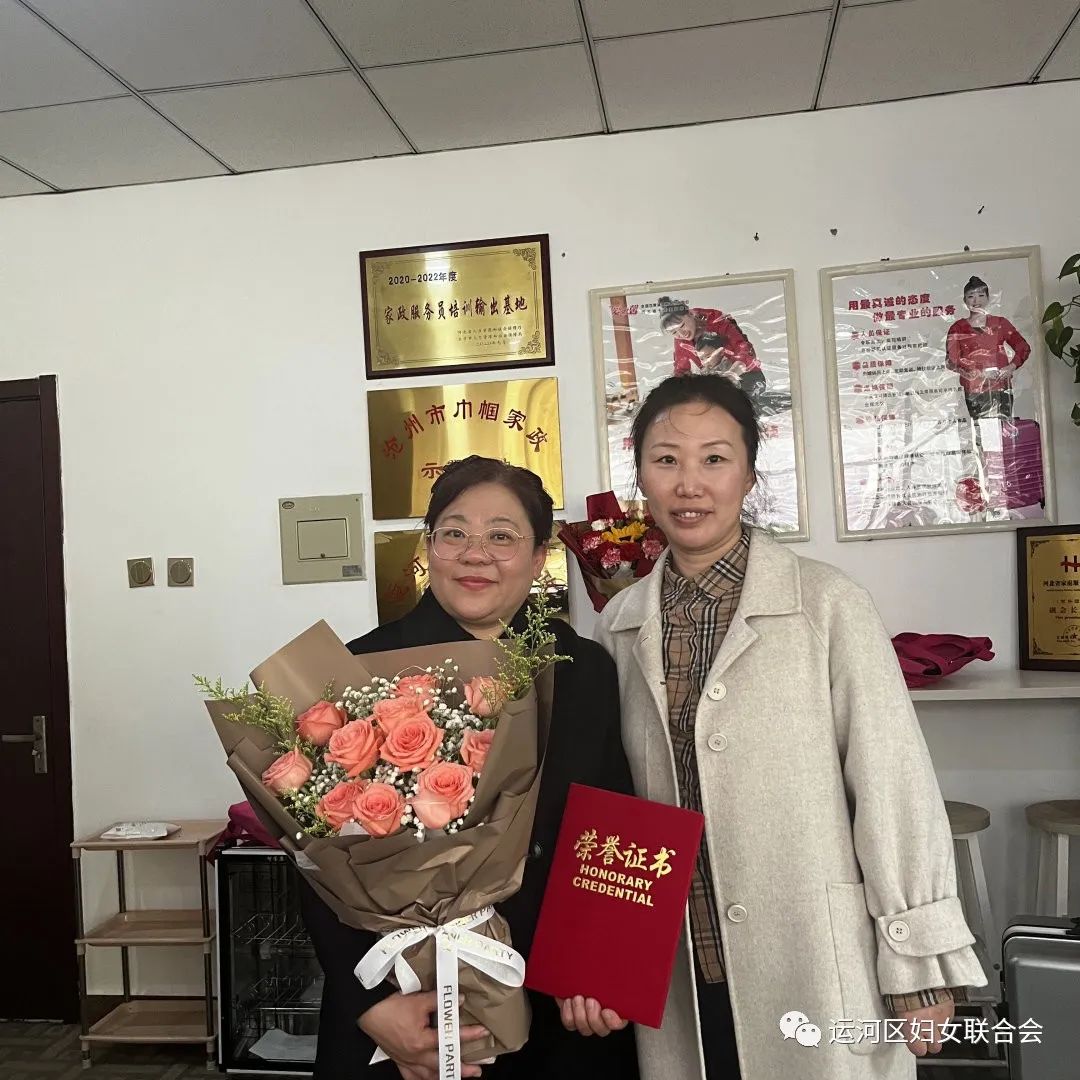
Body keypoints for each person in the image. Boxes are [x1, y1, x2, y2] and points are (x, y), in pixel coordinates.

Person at [591, 374, 986, 1080]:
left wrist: (920, 956)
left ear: (749, 473)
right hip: (680, 957)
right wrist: (602, 955)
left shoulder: (827, 604)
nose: (689, 484)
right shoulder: (619, 625)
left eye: (715, 459)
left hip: (811, 950)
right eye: (666, 460)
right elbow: (615, 806)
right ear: (640, 475)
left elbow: (892, 782)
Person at [299, 456, 639, 1080]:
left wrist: (600, 965)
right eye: (454, 533)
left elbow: (613, 825)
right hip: (406, 999)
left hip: (555, 995)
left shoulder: (584, 670)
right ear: (429, 547)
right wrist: (369, 1005)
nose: (475, 554)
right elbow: (316, 854)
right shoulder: (360, 669)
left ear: (539, 557)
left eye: (502, 536)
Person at [945, 275, 1030, 419]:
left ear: (988, 298)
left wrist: (1011, 367)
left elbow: (1023, 347)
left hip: (1001, 388)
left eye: (981, 295)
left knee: (1003, 428)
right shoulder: (957, 328)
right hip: (975, 391)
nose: (976, 300)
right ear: (965, 300)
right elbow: (952, 360)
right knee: (981, 429)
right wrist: (980, 373)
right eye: (971, 296)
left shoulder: (1000, 323)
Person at [659, 296, 765, 396]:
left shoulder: (717, 320)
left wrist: (731, 375)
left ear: (690, 314)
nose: (682, 334)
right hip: (717, 383)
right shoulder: (680, 340)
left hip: (748, 376)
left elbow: (744, 349)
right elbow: (681, 371)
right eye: (674, 332)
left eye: (682, 325)